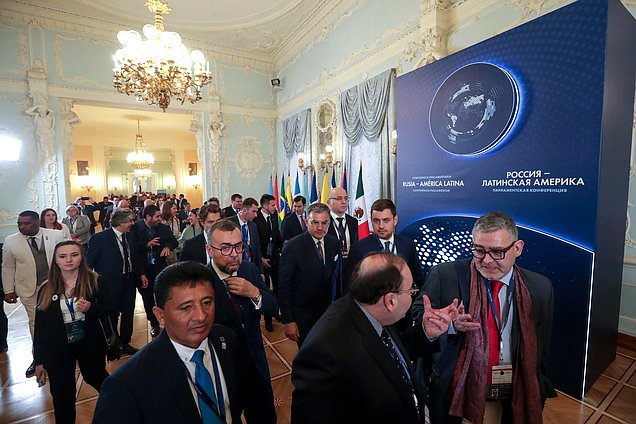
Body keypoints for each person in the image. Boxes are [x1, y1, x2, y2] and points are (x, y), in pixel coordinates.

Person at [414, 211, 556, 424]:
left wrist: (538, 384)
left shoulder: (540, 288)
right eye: (479, 250)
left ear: (517, 248)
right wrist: (447, 326)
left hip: (515, 393)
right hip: (458, 396)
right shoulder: (445, 275)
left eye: (497, 252)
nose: (486, 260)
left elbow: (541, 346)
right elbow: (418, 317)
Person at [291, 252, 456, 423]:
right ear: (390, 301)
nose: (414, 294)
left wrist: (426, 332)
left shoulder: (371, 308)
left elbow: (390, 353)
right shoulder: (324, 354)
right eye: (411, 290)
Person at [93, 261, 241, 424]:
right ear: (160, 315)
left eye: (207, 302)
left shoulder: (226, 339)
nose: (201, 316)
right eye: (186, 308)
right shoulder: (125, 385)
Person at [206, 220, 278, 423]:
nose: (234, 254)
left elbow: (273, 306)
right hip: (223, 373)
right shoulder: (201, 282)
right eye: (225, 248)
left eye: (239, 246)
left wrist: (254, 293)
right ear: (210, 250)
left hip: (256, 366)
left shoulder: (249, 271)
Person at [33, 241, 111, 423]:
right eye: (62, 256)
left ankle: (121, 411)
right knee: (62, 394)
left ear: (81, 257)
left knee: (99, 380)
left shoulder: (96, 281)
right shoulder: (47, 288)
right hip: (58, 348)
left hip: (88, 343)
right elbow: (41, 328)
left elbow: (111, 309)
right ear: (56, 261)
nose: (69, 260)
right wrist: (39, 360)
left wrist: (91, 308)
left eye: (74, 255)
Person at [2, 210, 65, 377]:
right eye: (19, 224)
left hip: (55, 286)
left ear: (37, 222)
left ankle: (62, 353)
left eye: (27, 223)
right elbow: (8, 267)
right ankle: (39, 358)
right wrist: (8, 290)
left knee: (60, 319)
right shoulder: (11, 241)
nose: (22, 227)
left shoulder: (56, 235)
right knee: (36, 324)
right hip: (29, 289)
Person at [278, 202, 343, 347]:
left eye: (324, 223)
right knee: (307, 357)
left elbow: (337, 279)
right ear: (307, 222)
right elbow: (284, 286)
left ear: (329, 222)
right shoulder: (292, 247)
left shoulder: (334, 243)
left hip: (328, 314)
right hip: (303, 317)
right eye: (315, 223)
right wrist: (288, 320)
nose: (320, 228)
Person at [86, 208, 140, 355]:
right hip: (109, 284)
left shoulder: (130, 236)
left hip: (129, 280)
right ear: (120, 222)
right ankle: (113, 343)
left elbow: (135, 258)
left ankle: (125, 342)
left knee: (129, 313)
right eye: (130, 221)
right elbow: (89, 263)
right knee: (111, 314)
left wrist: (140, 275)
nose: (132, 223)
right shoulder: (99, 238)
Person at [345, 199, 423, 290]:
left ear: (395, 220)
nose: (381, 226)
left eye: (386, 220)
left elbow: (418, 280)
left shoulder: (408, 245)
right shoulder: (359, 249)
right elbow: (350, 285)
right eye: (376, 221)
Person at [128, 205, 178, 337]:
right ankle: (154, 324)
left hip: (160, 268)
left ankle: (168, 321)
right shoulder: (135, 229)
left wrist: (167, 246)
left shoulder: (163, 228)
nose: (159, 219)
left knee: (165, 295)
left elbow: (174, 241)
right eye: (157, 216)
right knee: (147, 298)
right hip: (143, 269)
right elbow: (132, 250)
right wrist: (146, 245)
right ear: (148, 217)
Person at [253, 194, 283, 332]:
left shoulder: (274, 215)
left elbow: (276, 235)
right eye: (272, 205)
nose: (275, 207)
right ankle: (268, 320)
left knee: (277, 287)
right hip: (262, 260)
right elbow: (255, 242)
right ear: (265, 206)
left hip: (275, 258)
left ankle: (276, 311)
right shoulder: (256, 219)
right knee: (264, 289)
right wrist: (260, 259)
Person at [227, 197, 264, 276]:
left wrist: (261, 271)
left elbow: (257, 249)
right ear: (244, 210)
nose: (256, 215)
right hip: (233, 268)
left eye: (256, 212)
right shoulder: (228, 223)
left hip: (250, 267)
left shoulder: (253, 226)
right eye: (253, 211)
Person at [327, 187, 358, 260]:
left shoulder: (353, 221)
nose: (344, 201)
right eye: (339, 198)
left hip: (351, 265)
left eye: (346, 198)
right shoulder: (324, 222)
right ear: (329, 202)